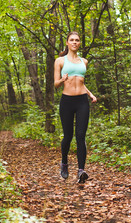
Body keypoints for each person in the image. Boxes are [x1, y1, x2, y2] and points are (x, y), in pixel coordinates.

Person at [54, 31, 97, 183]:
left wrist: (90, 94)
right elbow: (55, 84)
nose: (74, 42)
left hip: (82, 102)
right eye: (71, 40)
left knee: (81, 136)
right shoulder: (60, 61)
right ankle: (64, 162)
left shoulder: (84, 61)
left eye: (77, 40)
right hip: (67, 101)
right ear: (67, 43)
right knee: (68, 136)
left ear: (79, 43)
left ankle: (81, 171)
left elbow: (81, 82)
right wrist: (62, 79)